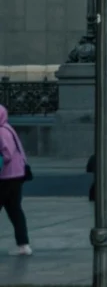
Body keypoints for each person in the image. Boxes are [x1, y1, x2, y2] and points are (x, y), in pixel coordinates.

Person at [0, 104, 29, 256]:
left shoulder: (1, 131)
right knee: (15, 210)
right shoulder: (8, 128)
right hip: (16, 175)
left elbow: (7, 154)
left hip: (6, 177)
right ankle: (23, 245)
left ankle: (23, 244)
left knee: (15, 210)